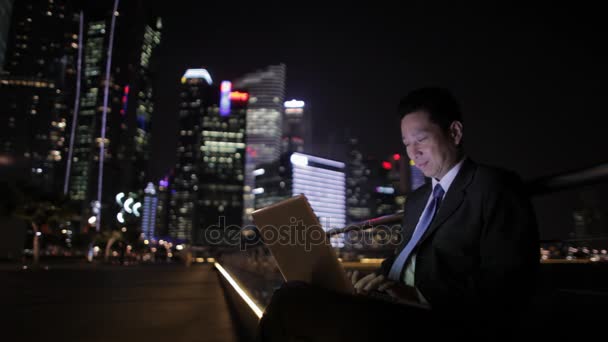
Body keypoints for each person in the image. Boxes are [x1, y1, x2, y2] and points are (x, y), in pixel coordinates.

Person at [256, 87, 540, 341]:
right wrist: (371, 281)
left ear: (454, 132)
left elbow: (509, 287)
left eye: (421, 139)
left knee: (292, 303)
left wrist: (417, 296)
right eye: (406, 144)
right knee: (296, 289)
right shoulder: (418, 200)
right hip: (391, 307)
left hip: (439, 321)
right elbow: (407, 260)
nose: (413, 153)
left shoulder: (494, 186)